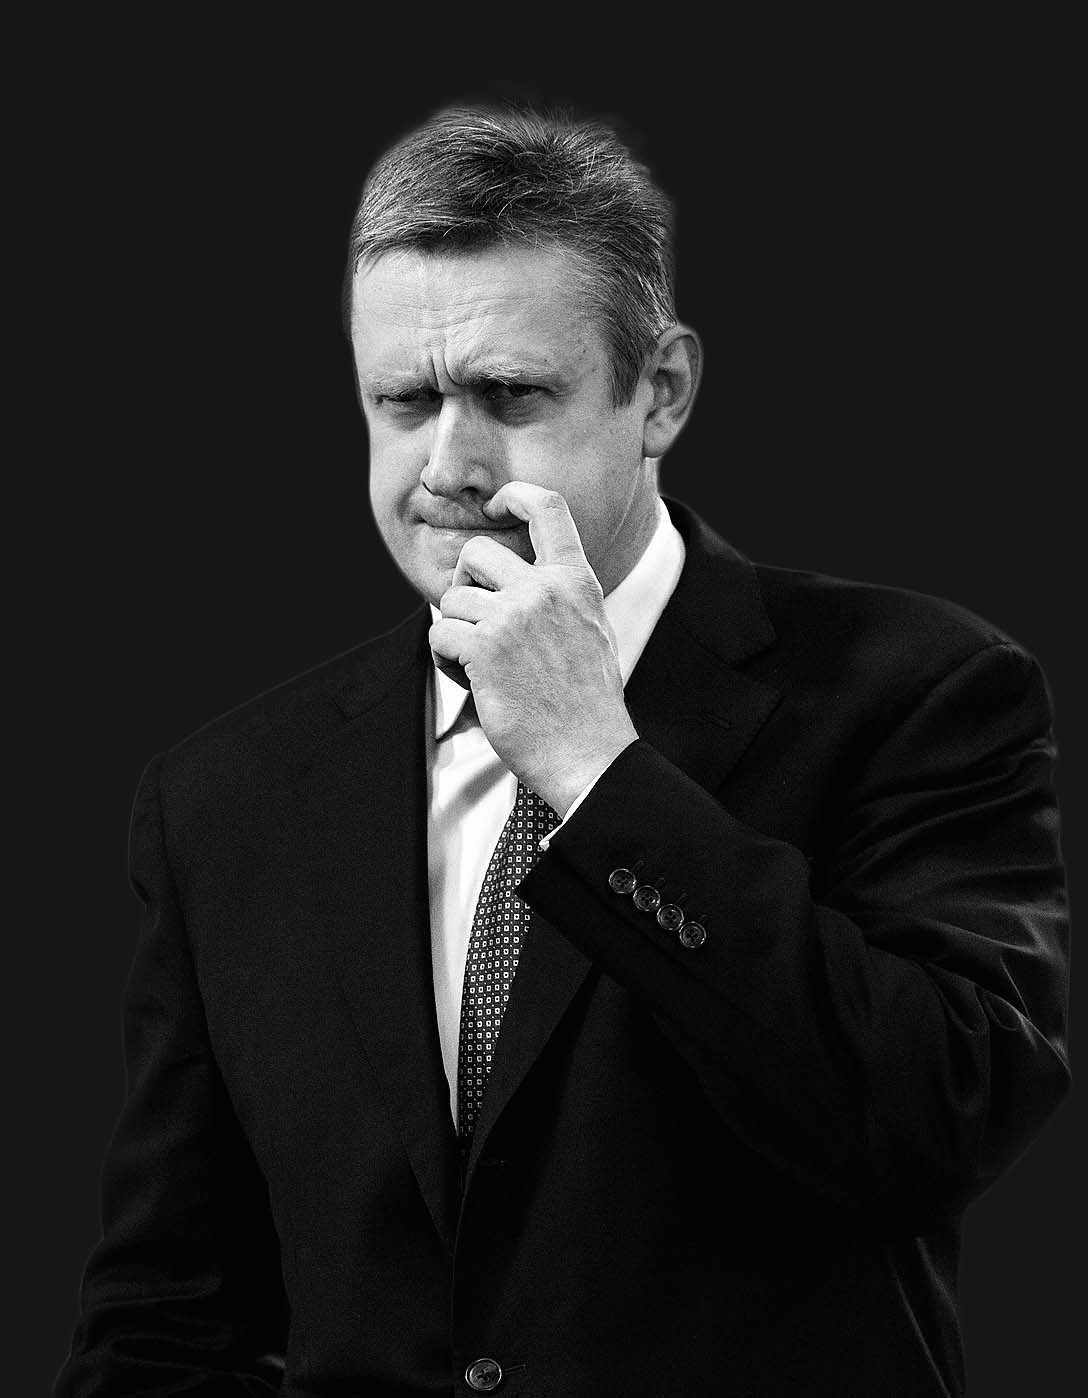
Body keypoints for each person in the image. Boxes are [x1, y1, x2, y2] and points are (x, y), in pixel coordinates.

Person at [56, 102, 1070, 1397]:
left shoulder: (924, 688)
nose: (448, 463)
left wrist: (597, 770)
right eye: (404, 400)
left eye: (511, 395)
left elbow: (940, 1124)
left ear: (662, 393)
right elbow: (163, 1319)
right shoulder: (224, 797)